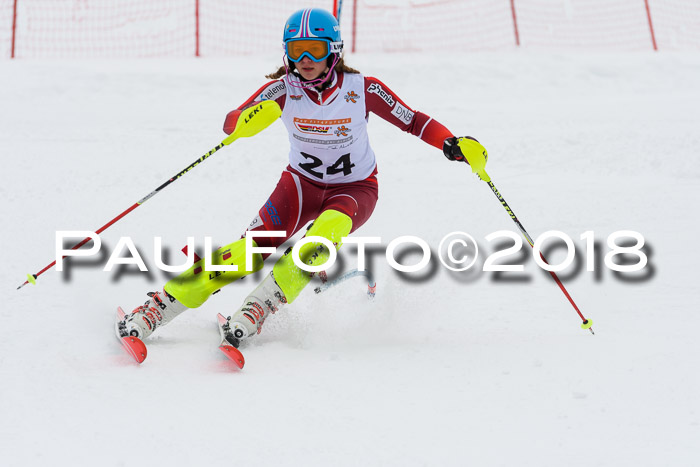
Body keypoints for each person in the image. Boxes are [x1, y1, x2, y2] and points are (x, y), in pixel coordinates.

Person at [117, 8, 487, 350]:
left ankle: (259, 306)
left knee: (318, 242)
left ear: (334, 50)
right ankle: (158, 307)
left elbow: (414, 120)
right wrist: (246, 121)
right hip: (299, 185)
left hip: (355, 190)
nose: (305, 60)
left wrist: (451, 143)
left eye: (314, 49)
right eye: (297, 51)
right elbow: (234, 120)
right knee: (247, 254)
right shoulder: (283, 90)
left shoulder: (363, 89)